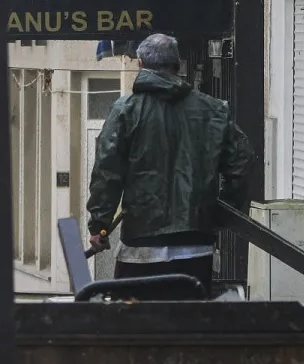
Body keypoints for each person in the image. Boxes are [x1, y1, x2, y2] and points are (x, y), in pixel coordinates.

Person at [84, 33, 253, 296]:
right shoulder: (213, 110)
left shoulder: (125, 110)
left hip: (140, 245)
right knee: (188, 327)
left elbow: (107, 172)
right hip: (196, 245)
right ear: (177, 66)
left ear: (140, 64)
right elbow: (242, 161)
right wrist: (223, 211)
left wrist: (99, 224)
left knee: (135, 325)